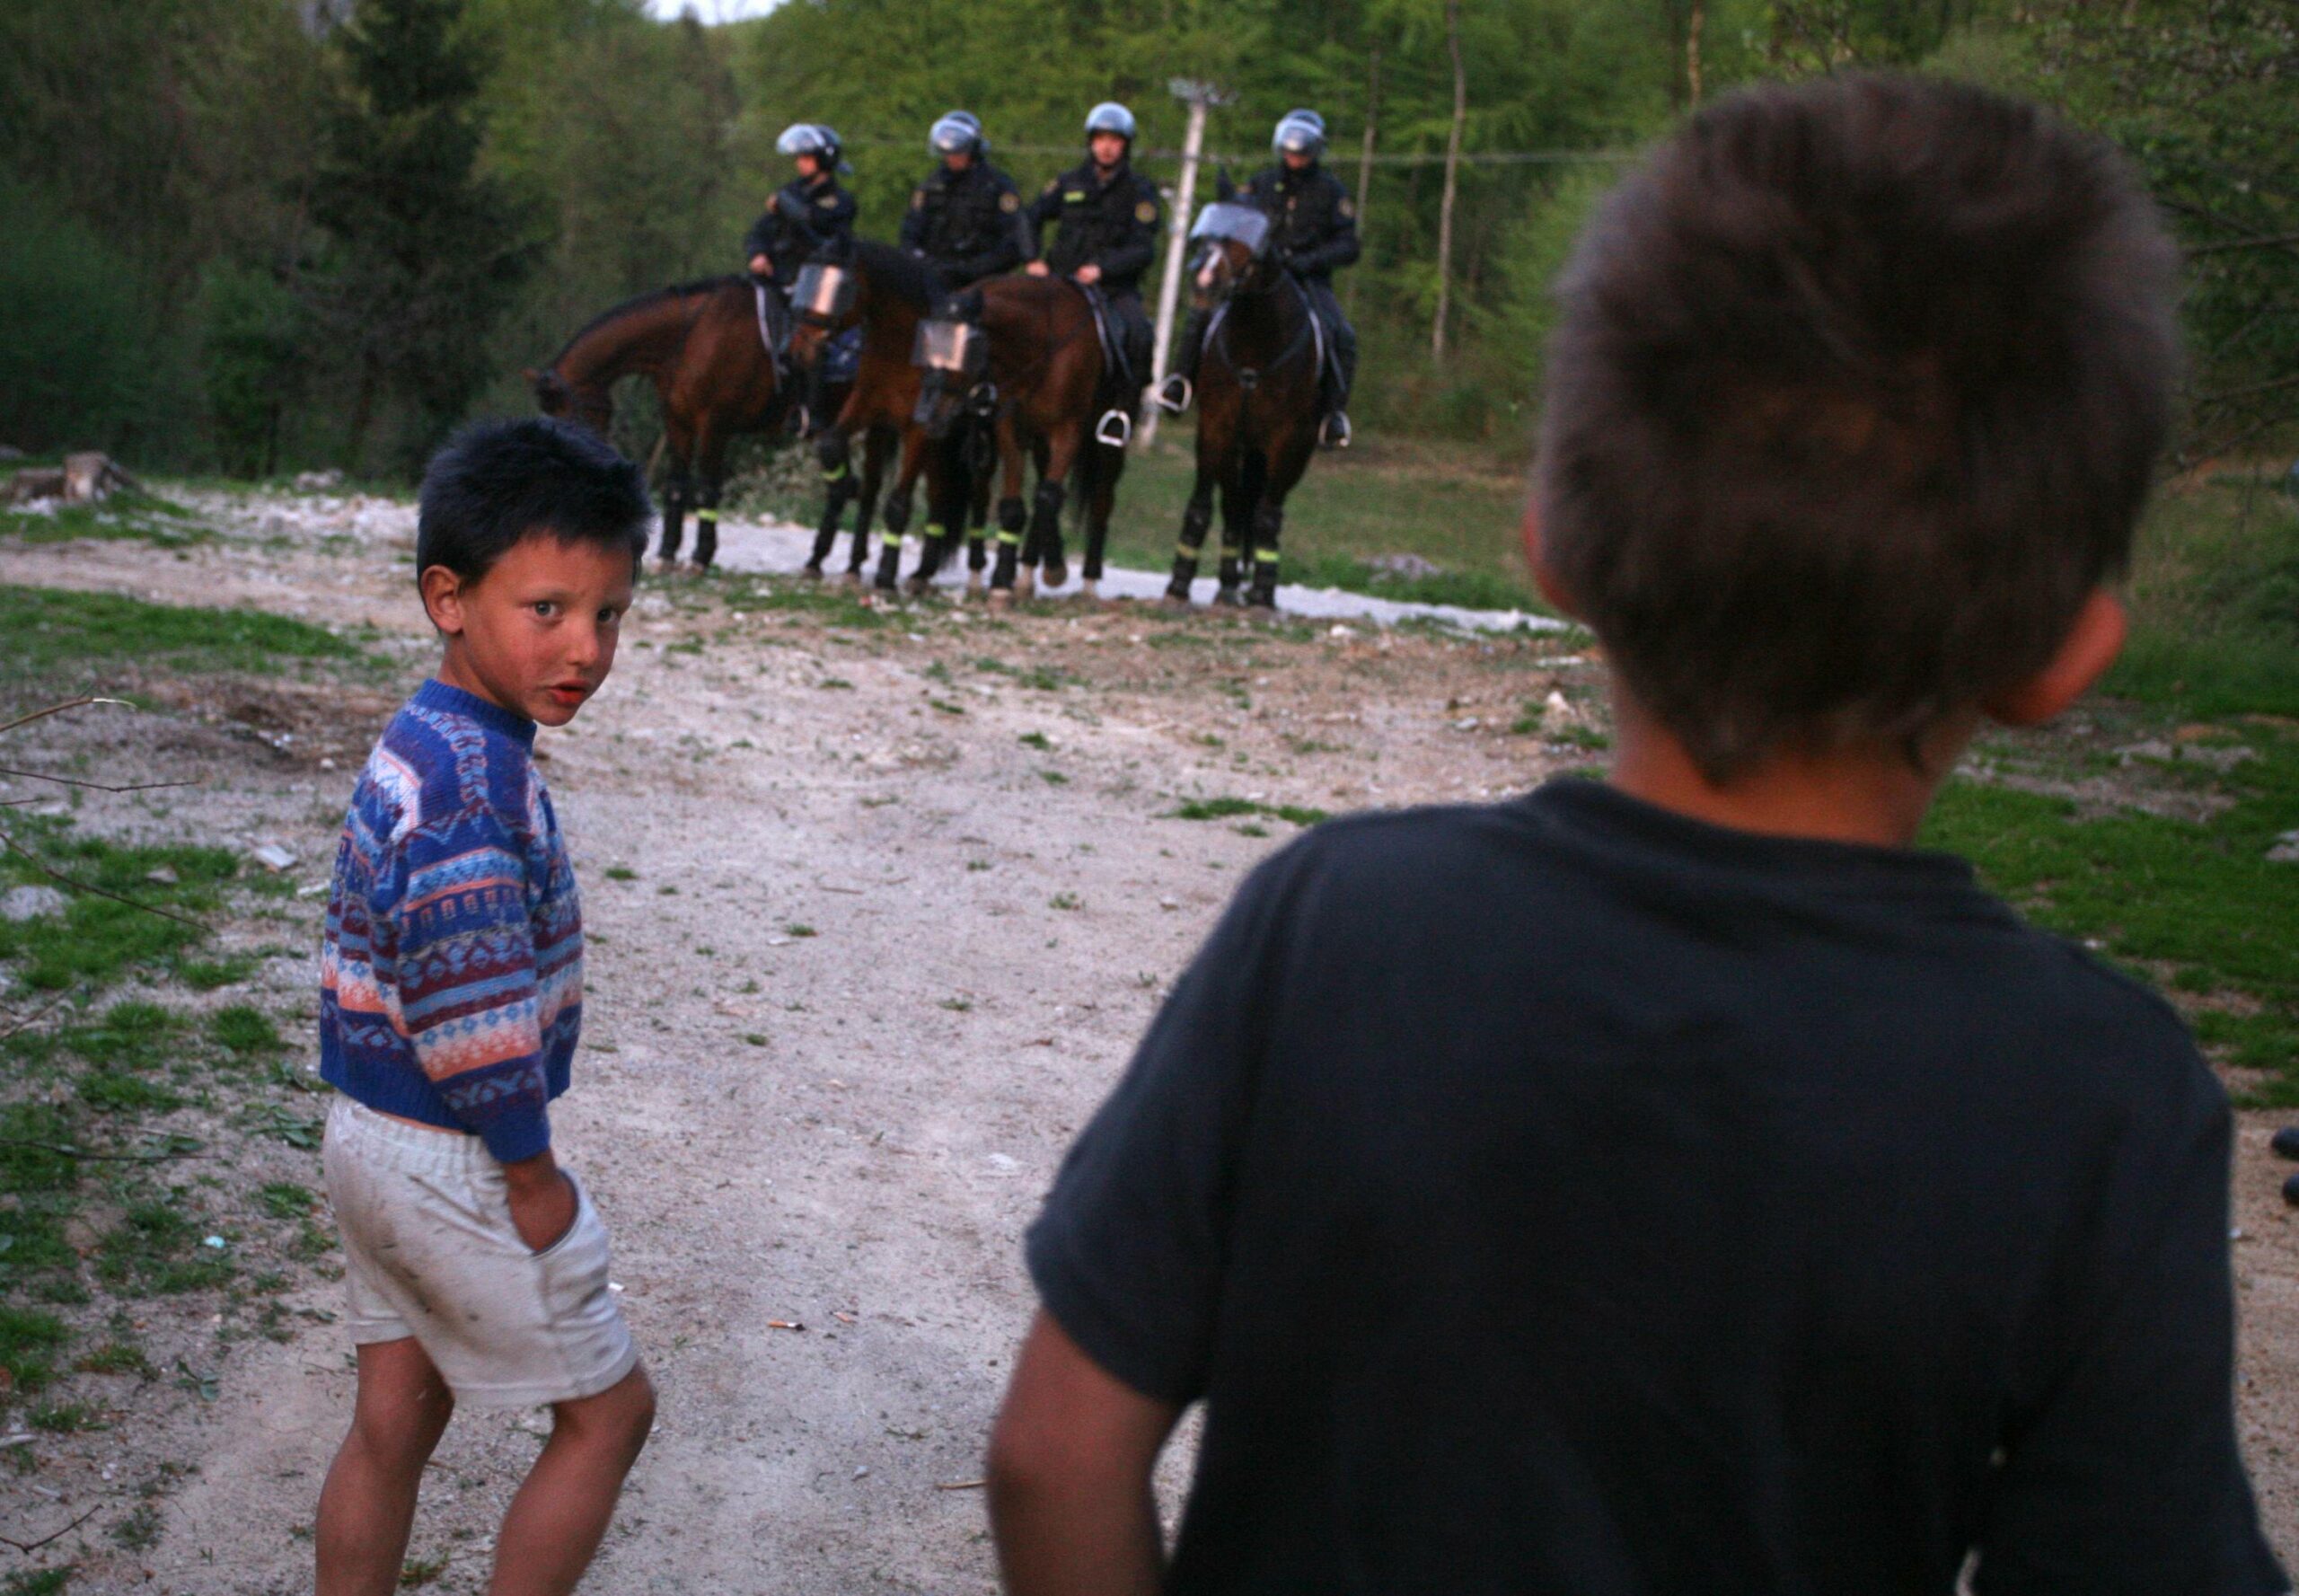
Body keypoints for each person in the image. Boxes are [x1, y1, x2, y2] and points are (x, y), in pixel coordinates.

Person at [986, 74, 2290, 1596]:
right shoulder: (2110, 1096)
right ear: (2066, 654)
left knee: (1317, 344)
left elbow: (1050, 1456)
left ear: (1551, 539)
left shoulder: (1334, 918)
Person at [313, 418, 656, 1596]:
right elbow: (470, 1005)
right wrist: (528, 1166)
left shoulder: (432, 734)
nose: (586, 647)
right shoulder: (473, 781)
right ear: (448, 599)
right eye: (549, 609)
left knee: (393, 1423)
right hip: (454, 1151)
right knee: (610, 1416)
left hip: (368, 1135)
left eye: (608, 613)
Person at [1159, 108, 1361, 448]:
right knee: (1204, 313)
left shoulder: (1332, 192)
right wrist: (1227, 198)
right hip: (1255, 277)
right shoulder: (1261, 184)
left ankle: (1332, 414)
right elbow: (1236, 222)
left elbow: (1348, 245)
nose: (1294, 155)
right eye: (1289, 147)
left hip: (1306, 279)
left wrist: (1307, 261)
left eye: (1302, 148)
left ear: (1315, 149)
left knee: (1341, 334)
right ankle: (1181, 382)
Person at [1024, 101, 1161, 395]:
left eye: (1114, 140)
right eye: (1100, 139)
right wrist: (1032, 258)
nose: (1106, 147)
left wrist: (1102, 269)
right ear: (1091, 143)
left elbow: (1143, 249)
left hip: (1111, 288)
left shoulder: (1140, 191)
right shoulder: (1068, 182)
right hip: (1060, 281)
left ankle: (1125, 407)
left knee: (1139, 333)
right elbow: (1029, 218)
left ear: (1125, 145)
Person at [901, 110, 1030, 292]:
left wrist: (973, 269)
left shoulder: (997, 186)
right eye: (947, 153)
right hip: (934, 278)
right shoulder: (931, 187)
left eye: (958, 152)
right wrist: (926, 264)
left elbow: (1013, 239)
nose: (952, 158)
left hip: (984, 281)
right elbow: (910, 233)